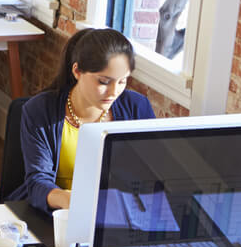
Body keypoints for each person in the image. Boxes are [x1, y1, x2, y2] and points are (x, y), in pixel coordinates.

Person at [9, 28, 155, 212]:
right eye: (103, 82)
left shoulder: (137, 107)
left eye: (122, 81)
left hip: (117, 214)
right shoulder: (40, 111)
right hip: (56, 215)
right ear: (77, 71)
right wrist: (69, 200)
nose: (114, 92)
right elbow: (37, 182)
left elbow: (151, 173)